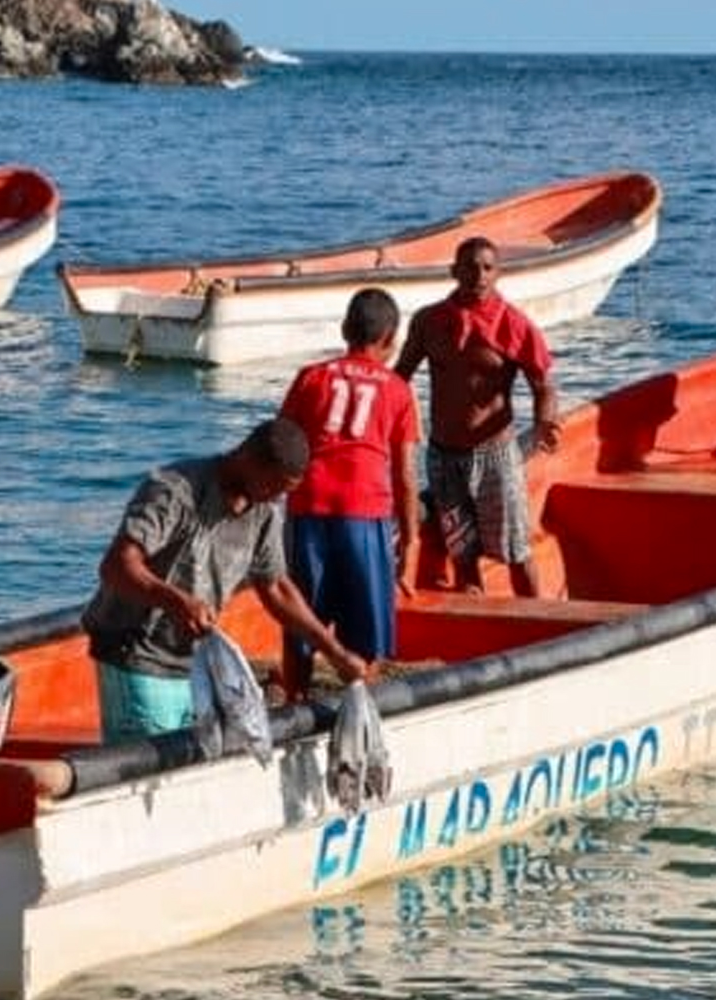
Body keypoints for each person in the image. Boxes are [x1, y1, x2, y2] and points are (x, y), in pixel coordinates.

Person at [82, 417, 374, 743]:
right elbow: (117, 566)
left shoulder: (262, 512)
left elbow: (276, 587)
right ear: (247, 458)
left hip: (197, 665)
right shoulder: (175, 489)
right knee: (151, 774)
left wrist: (333, 651)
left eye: (284, 492)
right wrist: (176, 601)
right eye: (273, 487)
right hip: (137, 655)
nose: (275, 498)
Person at [394, 236, 560, 597]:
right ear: (454, 271)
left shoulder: (514, 324)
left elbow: (543, 384)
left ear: (498, 273)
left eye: (487, 267)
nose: (478, 275)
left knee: (517, 551)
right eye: (470, 266)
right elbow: (399, 377)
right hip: (443, 456)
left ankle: (539, 618)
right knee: (462, 551)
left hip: (497, 457)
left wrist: (544, 421)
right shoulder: (429, 321)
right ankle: (474, 607)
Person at [277, 288, 420, 701]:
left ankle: (295, 698)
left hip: (309, 508)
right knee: (366, 627)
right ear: (391, 340)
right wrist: (410, 538)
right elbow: (405, 474)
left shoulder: (312, 377)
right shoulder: (397, 390)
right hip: (365, 512)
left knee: (304, 618)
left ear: (344, 329)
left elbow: (281, 442)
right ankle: (362, 703)